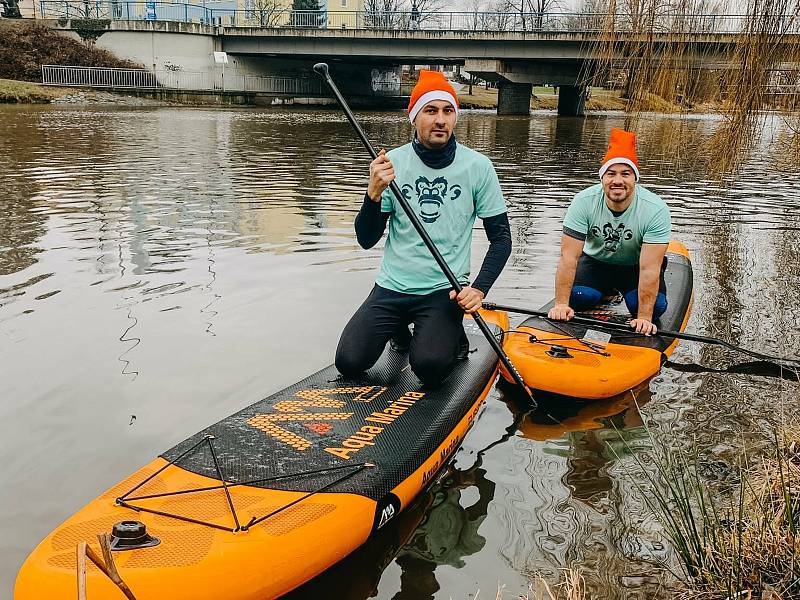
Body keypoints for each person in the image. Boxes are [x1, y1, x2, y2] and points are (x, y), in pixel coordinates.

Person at [335, 70, 512, 386]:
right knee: (349, 363)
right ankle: (400, 330)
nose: (440, 119)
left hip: (442, 290)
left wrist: (478, 289)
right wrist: (372, 194)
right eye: (430, 111)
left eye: (448, 111)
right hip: (392, 286)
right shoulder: (392, 164)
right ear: (414, 118)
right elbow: (365, 239)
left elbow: (501, 240)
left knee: (429, 368)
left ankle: (454, 336)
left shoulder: (478, 167)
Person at [547, 128, 671, 336]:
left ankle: (625, 294)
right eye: (611, 174)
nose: (618, 180)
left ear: (635, 179)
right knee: (578, 298)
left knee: (654, 308)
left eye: (625, 174)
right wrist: (561, 305)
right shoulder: (583, 202)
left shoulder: (655, 209)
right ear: (602, 178)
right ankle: (604, 290)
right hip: (596, 262)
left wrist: (645, 318)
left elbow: (649, 268)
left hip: (636, 266)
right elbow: (568, 257)